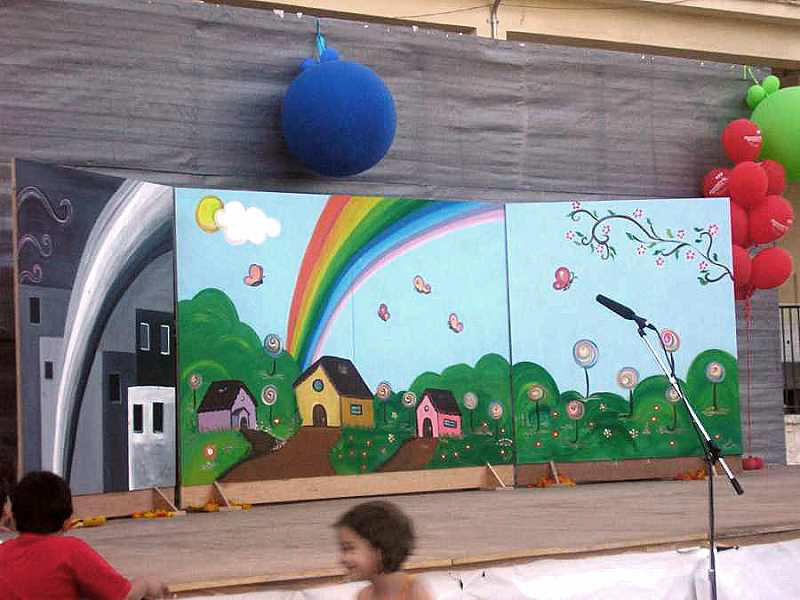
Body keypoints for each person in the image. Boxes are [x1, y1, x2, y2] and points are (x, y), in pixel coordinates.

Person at [0, 471, 169, 599]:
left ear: (14, 518)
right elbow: (121, 595)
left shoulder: (3, 552)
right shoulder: (70, 550)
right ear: (68, 521)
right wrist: (146, 584)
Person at [335, 500, 434, 600]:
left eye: (349, 548)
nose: (342, 559)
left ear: (380, 549)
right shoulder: (364, 596)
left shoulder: (414, 592)